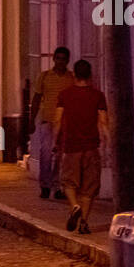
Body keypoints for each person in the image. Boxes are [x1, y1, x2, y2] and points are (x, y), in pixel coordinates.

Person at [54, 58, 108, 235]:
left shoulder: (65, 95)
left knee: (69, 182)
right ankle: (84, 222)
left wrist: (56, 141)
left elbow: (57, 120)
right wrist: (108, 144)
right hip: (91, 146)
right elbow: (103, 122)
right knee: (89, 187)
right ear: (90, 75)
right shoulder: (98, 96)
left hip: (71, 146)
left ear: (74, 74)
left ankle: (74, 206)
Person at [29, 46, 75, 200]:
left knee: (61, 156)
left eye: (64, 59)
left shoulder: (71, 78)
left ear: (67, 60)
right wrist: (31, 119)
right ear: (54, 59)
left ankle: (57, 186)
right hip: (47, 120)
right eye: (58, 58)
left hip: (65, 122)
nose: (60, 61)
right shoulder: (44, 76)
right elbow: (36, 98)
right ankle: (45, 185)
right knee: (46, 154)